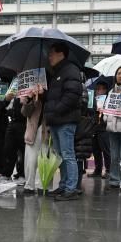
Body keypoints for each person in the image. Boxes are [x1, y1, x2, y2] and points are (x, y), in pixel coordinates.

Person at [43, 42, 83, 201]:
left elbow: (73, 94)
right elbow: (54, 97)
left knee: (68, 154)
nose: (49, 56)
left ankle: (71, 188)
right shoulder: (57, 72)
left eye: (52, 52)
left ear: (61, 54)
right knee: (59, 156)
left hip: (65, 120)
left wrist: (57, 110)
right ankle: (64, 185)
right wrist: (43, 93)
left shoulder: (70, 70)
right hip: (56, 120)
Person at [21, 84, 46, 195]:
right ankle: (29, 185)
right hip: (33, 129)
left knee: (46, 158)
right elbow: (24, 112)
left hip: (47, 128)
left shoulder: (52, 83)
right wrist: (31, 98)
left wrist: (44, 94)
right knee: (30, 159)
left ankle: (44, 186)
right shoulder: (28, 88)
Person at [0, 92, 26, 184]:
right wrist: (6, 100)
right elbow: (1, 109)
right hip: (12, 122)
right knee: (8, 149)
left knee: (22, 151)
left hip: (23, 123)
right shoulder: (11, 89)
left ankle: (22, 174)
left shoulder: (27, 89)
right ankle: (6, 174)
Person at [89, 80, 111, 180]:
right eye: (97, 89)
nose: (99, 91)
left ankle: (108, 170)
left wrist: (103, 109)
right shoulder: (93, 99)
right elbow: (90, 111)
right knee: (95, 149)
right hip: (94, 127)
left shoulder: (109, 99)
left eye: (101, 89)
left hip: (104, 127)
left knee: (106, 149)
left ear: (105, 90)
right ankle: (98, 169)